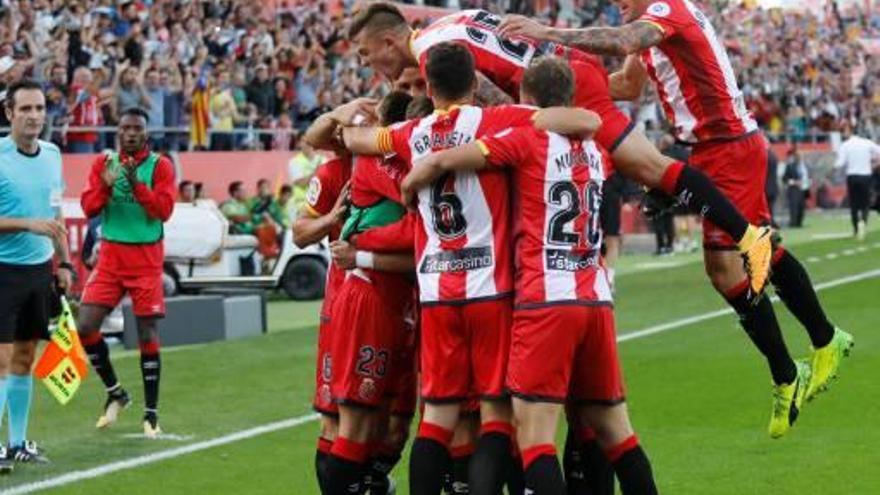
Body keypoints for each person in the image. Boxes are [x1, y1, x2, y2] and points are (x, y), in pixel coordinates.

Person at [500, 0, 852, 438]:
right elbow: (629, 86)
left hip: (728, 145)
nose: (617, 6)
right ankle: (817, 345)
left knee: (729, 268)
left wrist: (547, 33)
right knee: (752, 252)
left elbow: (627, 41)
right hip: (714, 147)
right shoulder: (652, 22)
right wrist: (569, 90)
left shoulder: (665, 11)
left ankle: (796, 364)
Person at [347, 2, 774, 299]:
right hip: (567, 71)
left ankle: (746, 235)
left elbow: (491, 96)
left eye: (367, 55)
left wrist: (515, 137)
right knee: (651, 169)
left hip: (562, 89)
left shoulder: (431, 53)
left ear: (389, 42)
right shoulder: (449, 24)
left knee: (652, 169)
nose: (370, 66)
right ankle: (747, 235)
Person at [340, 42, 600, 495]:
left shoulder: (409, 133)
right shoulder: (496, 120)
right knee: (496, 414)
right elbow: (583, 121)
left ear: (431, 85)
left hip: (437, 291)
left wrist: (347, 118)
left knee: (437, 415)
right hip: (489, 289)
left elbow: (355, 140)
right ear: (474, 81)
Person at [399, 57, 658, 495]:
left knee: (534, 436)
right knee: (616, 430)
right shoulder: (598, 153)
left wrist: (424, 169)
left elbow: (464, 157)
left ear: (525, 98)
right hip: (595, 298)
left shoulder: (526, 141)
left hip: (545, 301)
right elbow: (587, 123)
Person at [76, 107, 176, 439]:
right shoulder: (104, 164)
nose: (130, 134)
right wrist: (105, 187)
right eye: (125, 128)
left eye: (136, 129)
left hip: (146, 260)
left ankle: (151, 413)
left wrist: (137, 186)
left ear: (145, 134)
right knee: (85, 325)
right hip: (111, 258)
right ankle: (116, 392)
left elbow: (163, 211)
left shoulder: (160, 166)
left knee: (146, 334)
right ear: (118, 133)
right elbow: (89, 208)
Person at [0, 80, 73, 469]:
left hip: (37, 274)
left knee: (25, 358)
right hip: (2, 272)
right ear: (9, 113)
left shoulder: (52, 154)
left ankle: (16, 444)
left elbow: (56, 211)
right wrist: (28, 224)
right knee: (1, 358)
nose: (34, 116)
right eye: (25, 109)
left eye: (40, 108)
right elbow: (37, 219)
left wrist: (64, 262)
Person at [835, 123, 880, 240]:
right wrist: (874, 163)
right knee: (865, 204)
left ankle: (855, 229)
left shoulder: (845, 145)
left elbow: (840, 163)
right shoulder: (867, 143)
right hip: (865, 176)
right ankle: (863, 223)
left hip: (852, 176)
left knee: (854, 205)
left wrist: (833, 168)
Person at [783, 149, 807, 228]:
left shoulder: (804, 166)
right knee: (794, 207)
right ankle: (793, 223)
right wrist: (794, 182)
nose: (799, 157)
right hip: (793, 190)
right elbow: (784, 179)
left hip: (803, 189)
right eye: (798, 156)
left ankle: (799, 223)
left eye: (800, 156)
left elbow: (806, 177)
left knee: (801, 207)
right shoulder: (790, 166)